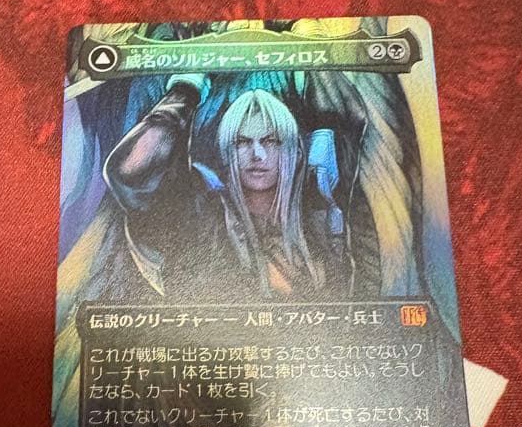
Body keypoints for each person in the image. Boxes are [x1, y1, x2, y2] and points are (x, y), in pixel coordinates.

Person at [103, 77, 350, 302]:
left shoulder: (321, 218)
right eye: (242, 142)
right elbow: (132, 173)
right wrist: (184, 92)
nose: (257, 154)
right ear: (225, 151)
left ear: (294, 153)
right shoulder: (203, 218)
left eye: (270, 141)